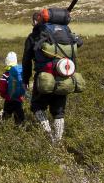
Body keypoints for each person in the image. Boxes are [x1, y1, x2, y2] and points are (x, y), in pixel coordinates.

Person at [22, 9, 82, 143]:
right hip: (64, 76)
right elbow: (78, 44)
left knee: (37, 107)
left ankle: (48, 135)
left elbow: (26, 61)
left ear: (35, 21)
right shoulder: (66, 34)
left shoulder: (34, 36)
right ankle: (58, 141)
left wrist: (25, 80)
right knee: (59, 112)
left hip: (43, 78)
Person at [0, 51, 25, 124]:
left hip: (8, 100)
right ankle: (19, 127)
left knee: (6, 115)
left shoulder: (5, 75)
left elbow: (2, 89)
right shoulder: (20, 74)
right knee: (19, 117)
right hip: (18, 100)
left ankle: (4, 125)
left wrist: (4, 96)